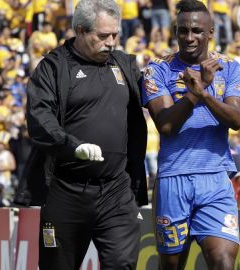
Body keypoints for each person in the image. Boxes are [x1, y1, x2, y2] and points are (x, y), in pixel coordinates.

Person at [24, 0, 148, 268]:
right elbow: (39, 119)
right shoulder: (53, 67)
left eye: (115, 35)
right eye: (103, 36)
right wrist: (72, 146)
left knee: (121, 263)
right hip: (66, 190)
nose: (111, 42)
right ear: (80, 31)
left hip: (116, 189)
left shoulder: (124, 66)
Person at [141, 1, 240, 269]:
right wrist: (193, 94)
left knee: (223, 261)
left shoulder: (230, 68)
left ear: (211, 32)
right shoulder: (157, 70)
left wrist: (203, 94)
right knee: (173, 266)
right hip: (173, 179)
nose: (189, 37)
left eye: (197, 31)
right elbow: (165, 125)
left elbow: (237, 120)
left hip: (215, 180)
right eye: (183, 30)